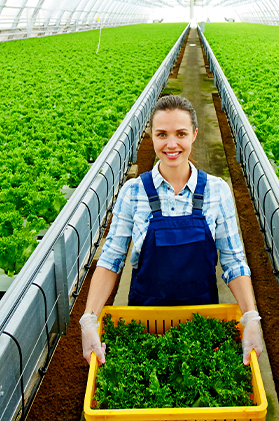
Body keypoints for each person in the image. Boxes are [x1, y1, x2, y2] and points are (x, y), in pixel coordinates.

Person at [80, 95, 263, 367]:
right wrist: (89, 318)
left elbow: (234, 262)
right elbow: (110, 261)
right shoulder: (133, 192)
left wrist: (250, 317)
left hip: (202, 321)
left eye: (181, 134)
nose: (171, 144)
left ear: (194, 135)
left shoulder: (216, 191)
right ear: (151, 137)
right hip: (144, 321)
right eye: (161, 134)